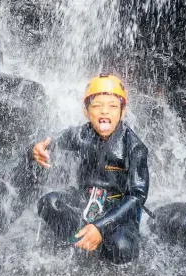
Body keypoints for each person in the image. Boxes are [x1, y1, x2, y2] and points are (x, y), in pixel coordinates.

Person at [33, 73, 149, 264]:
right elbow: (55, 138)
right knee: (49, 203)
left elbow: (137, 196)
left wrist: (102, 226)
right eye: (96, 106)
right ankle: (79, 239)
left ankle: (99, 238)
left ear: (123, 110)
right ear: (86, 112)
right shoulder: (82, 134)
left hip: (117, 208)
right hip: (84, 199)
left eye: (112, 106)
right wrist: (39, 147)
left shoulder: (134, 146)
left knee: (122, 249)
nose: (104, 111)